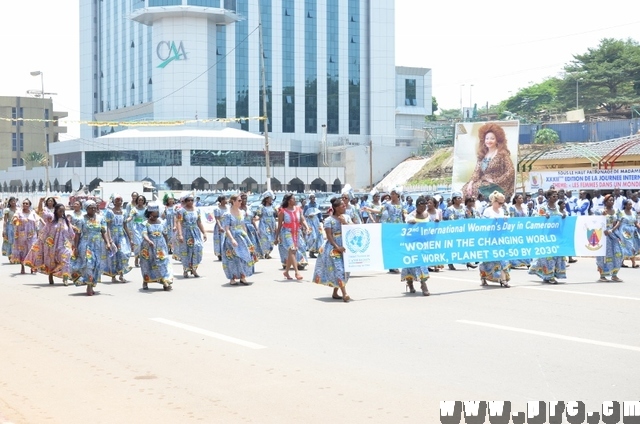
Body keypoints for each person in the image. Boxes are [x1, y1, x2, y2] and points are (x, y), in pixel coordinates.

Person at [312, 197, 352, 302]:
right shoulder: (329, 220)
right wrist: (337, 247)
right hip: (333, 247)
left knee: (345, 270)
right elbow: (329, 236)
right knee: (339, 269)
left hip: (346, 246)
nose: (344, 207)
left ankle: (335, 292)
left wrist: (345, 223)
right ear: (336, 208)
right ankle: (345, 293)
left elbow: (352, 230)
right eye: (342, 205)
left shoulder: (346, 217)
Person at [462, 122, 515, 201]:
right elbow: (477, 171)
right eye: (487, 138)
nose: (489, 141)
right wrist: (471, 183)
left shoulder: (502, 153)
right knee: (465, 189)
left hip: (497, 184)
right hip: (483, 181)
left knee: (478, 190)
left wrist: (496, 181)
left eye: (492, 138)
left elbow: (511, 170)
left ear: (497, 140)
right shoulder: (482, 154)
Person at [24, 204, 75, 285]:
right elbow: (40, 212)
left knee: (66, 258)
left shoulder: (66, 221)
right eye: (60, 210)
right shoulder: (51, 218)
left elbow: (71, 233)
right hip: (50, 244)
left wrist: (73, 242)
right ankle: (50, 274)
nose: (62, 212)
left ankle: (65, 278)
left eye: (63, 210)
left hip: (63, 245)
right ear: (56, 210)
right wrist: (41, 201)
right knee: (51, 261)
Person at [71, 200, 112, 296]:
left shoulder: (101, 218)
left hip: (98, 244)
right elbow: (77, 234)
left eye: (94, 207)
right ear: (86, 208)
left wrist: (108, 243)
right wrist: (75, 247)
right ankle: (89, 286)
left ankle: (92, 284)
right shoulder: (81, 219)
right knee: (88, 263)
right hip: (86, 244)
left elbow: (103, 231)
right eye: (91, 207)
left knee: (96, 264)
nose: (93, 209)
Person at [528, 189, 567, 284]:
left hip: (556, 235)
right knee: (548, 256)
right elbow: (537, 219)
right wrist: (544, 216)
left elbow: (560, 217)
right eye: (554, 196)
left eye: (557, 195)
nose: (556, 197)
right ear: (549, 197)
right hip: (546, 236)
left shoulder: (557, 207)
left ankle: (553, 273)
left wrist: (563, 215)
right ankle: (549, 275)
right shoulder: (543, 207)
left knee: (556, 255)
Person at [221, 194, 258, 285]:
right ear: (233, 201)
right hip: (232, 236)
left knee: (244, 256)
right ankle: (232, 277)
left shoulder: (241, 212)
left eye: (241, 200)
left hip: (242, 236)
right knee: (232, 257)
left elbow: (243, 225)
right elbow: (227, 228)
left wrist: (247, 238)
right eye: (239, 200)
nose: (241, 202)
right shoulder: (227, 214)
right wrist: (232, 239)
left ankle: (242, 276)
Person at [478, 191, 511, 287]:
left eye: (503, 203)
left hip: (500, 238)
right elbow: (484, 224)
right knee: (487, 260)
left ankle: (503, 279)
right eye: (500, 203)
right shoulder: (488, 211)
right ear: (494, 201)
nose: (501, 205)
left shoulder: (501, 211)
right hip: (490, 238)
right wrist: (492, 221)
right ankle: (483, 278)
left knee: (503, 258)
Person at [275, 193, 309, 280]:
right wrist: (276, 237)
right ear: (289, 201)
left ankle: (286, 272)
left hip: (296, 232)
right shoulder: (282, 211)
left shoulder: (298, 209)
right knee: (292, 249)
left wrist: (307, 227)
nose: (295, 200)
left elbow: (302, 219)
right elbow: (279, 226)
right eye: (293, 199)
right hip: (287, 232)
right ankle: (297, 272)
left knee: (292, 252)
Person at [401, 196, 431, 296]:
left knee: (422, 263)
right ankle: (410, 284)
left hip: (423, 243)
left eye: (425, 206)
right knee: (410, 264)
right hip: (412, 244)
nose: (423, 208)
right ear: (417, 206)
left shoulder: (427, 215)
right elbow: (407, 226)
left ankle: (423, 284)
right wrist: (411, 222)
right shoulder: (411, 215)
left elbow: (430, 226)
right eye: (421, 206)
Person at [140, 204, 173, 291]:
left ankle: (165, 281)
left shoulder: (162, 222)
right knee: (148, 264)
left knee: (162, 263)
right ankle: (145, 281)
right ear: (150, 214)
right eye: (154, 216)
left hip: (160, 247)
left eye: (157, 215)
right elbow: (144, 234)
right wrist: (149, 241)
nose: (156, 217)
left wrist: (168, 243)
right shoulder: (145, 224)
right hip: (148, 246)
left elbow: (165, 234)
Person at [175, 194, 207, 278]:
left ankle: (194, 268)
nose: (190, 202)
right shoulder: (181, 211)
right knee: (186, 251)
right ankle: (186, 269)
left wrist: (204, 233)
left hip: (195, 232)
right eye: (188, 200)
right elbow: (179, 222)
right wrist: (180, 235)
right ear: (185, 201)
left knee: (197, 248)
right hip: (186, 232)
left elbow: (199, 222)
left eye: (192, 200)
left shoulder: (197, 210)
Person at [103, 194, 133, 283]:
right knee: (114, 255)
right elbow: (107, 226)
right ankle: (113, 276)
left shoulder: (123, 212)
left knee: (124, 253)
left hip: (121, 234)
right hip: (112, 234)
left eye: (120, 200)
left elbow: (125, 225)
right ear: (114, 202)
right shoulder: (110, 212)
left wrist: (130, 238)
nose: (119, 202)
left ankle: (121, 273)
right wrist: (109, 239)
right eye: (117, 200)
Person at [595, 194, 624, 282]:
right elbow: (596, 222)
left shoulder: (617, 210)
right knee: (604, 254)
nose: (611, 202)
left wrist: (612, 230)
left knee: (618, 253)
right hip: (603, 234)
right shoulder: (600, 211)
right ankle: (602, 275)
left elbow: (619, 221)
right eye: (609, 200)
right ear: (605, 202)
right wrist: (602, 216)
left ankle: (614, 274)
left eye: (612, 200)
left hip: (613, 233)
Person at [444, 192, 476, 270]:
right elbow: (450, 219)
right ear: (454, 200)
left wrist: (470, 215)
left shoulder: (463, 208)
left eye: (461, 198)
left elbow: (468, 217)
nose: (460, 199)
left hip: (463, 230)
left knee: (464, 246)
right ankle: (450, 262)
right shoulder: (450, 209)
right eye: (458, 198)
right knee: (453, 247)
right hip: (454, 231)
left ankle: (467, 262)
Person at [10, 199, 42, 274]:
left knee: (32, 249)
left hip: (32, 235)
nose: (25, 204)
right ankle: (22, 267)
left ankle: (32, 267)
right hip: (21, 235)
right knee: (22, 251)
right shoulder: (19, 212)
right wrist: (15, 219)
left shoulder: (33, 213)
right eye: (23, 203)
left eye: (26, 203)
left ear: (29, 205)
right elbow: (15, 217)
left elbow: (39, 219)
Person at [508, 193, 531, 269]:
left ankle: (527, 261)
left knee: (524, 245)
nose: (521, 199)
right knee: (515, 245)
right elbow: (511, 218)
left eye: (522, 198)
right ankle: (513, 262)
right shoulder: (512, 207)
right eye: (519, 198)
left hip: (523, 229)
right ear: (516, 199)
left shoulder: (524, 207)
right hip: (515, 229)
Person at [617, 199, 639, 269]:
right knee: (630, 245)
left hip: (633, 230)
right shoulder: (621, 213)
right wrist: (615, 231)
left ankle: (621, 262)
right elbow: (618, 223)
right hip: (624, 231)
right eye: (629, 204)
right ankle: (634, 263)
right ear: (625, 205)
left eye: (631, 204)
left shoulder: (634, 213)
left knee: (633, 245)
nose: (631, 206)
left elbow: (636, 223)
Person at [127, 194, 148, 267]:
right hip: (136, 227)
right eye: (139, 200)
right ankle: (136, 258)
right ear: (137, 201)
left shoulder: (146, 209)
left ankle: (142, 259)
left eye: (142, 200)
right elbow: (130, 217)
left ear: (144, 201)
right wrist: (126, 220)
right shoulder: (134, 209)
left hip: (144, 227)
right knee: (138, 243)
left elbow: (149, 217)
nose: (140, 201)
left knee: (144, 243)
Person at [255, 190, 277, 259]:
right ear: (266, 199)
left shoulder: (273, 207)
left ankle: (268, 252)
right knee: (265, 239)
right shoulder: (261, 207)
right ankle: (263, 252)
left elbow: (275, 215)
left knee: (271, 239)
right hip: (264, 225)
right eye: (270, 198)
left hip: (272, 225)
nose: (271, 200)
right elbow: (258, 215)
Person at [213, 195, 228, 261]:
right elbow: (217, 219)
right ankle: (220, 254)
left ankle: (227, 253)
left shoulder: (228, 208)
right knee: (220, 240)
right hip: (220, 225)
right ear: (221, 201)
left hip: (227, 225)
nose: (226, 200)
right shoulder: (217, 209)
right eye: (225, 199)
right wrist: (220, 227)